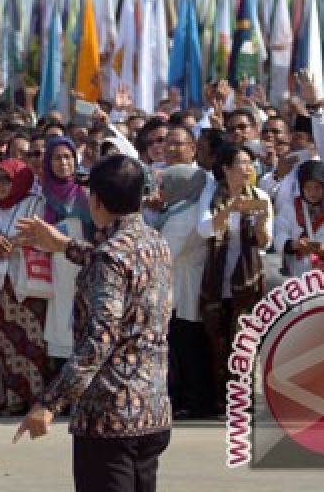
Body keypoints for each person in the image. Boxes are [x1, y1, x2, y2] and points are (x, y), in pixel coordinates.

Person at [14, 154, 174, 492]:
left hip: (110, 415)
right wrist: (66, 246)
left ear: (97, 201)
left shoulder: (110, 256)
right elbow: (117, 268)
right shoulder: (156, 243)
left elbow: (99, 338)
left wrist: (50, 402)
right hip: (152, 408)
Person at [197, 144, 271, 414]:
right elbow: (204, 229)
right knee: (218, 340)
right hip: (217, 280)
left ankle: (243, 399)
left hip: (247, 279)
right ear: (226, 169)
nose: (248, 168)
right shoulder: (212, 194)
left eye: (250, 162)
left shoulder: (260, 196)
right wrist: (230, 209)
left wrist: (261, 224)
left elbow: (265, 242)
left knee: (244, 339)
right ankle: (222, 399)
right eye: (241, 163)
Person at [0, 158, 48, 416]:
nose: (1, 185)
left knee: (32, 342)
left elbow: (40, 236)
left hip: (26, 285)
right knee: (4, 344)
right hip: (0, 287)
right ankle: (10, 398)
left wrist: (13, 243)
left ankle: (36, 399)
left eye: (8, 179)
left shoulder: (34, 203)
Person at [154, 164, 213, 419]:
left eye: (165, 186)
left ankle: (195, 401)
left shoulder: (185, 216)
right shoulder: (180, 211)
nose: (160, 192)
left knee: (188, 348)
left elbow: (164, 252)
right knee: (185, 347)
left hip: (185, 288)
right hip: (181, 286)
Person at [36, 137, 94, 374]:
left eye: (68, 157)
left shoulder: (86, 192)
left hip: (84, 261)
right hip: (57, 264)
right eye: (57, 158)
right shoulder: (43, 194)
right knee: (60, 320)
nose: (63, 163)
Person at [273, 160, 324, 277]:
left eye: (317, 187)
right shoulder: (290, 208)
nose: (313, 192)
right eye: (308, 188)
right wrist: (294, 244)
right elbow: (279, 233)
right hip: (298, 275)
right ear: (301, 188)